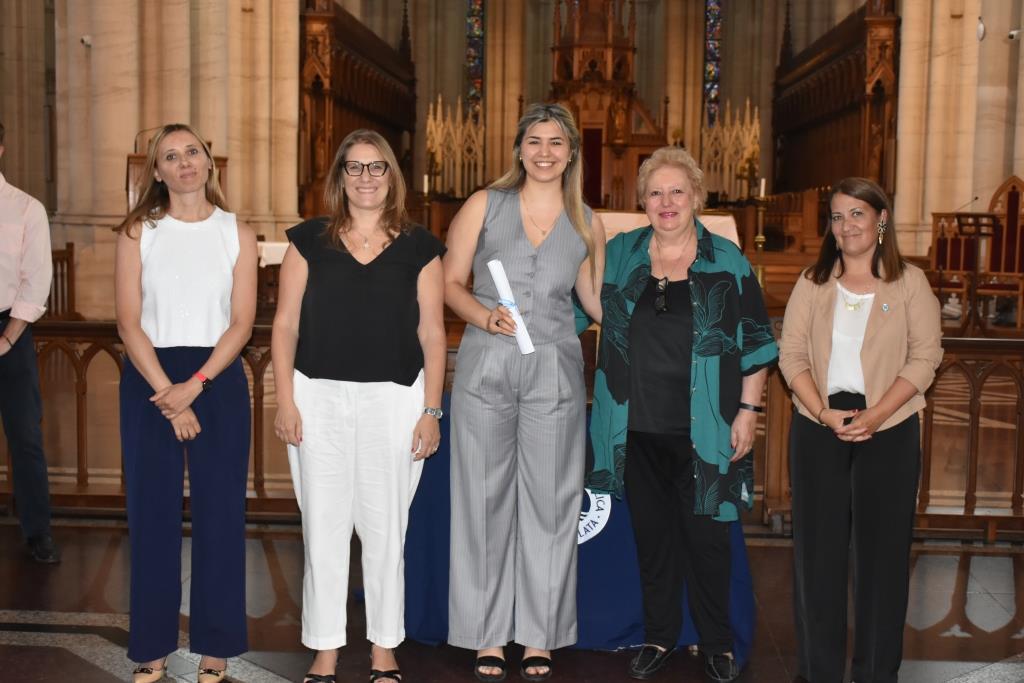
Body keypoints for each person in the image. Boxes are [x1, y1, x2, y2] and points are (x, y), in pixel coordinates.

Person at [581, 146, 777, 683]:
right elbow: (573, 303)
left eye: (677, 191)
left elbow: (757, 340)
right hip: (633, 428)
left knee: (708, 542)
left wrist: (748, 411)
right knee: (653, 541)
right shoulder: (620, 253)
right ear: (642, 201)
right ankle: (660, 637)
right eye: (655, 192)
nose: (666, 202)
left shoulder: (725, 259)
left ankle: (716, 644)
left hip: (707, 431)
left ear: (695, 197)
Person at [272, 129, 446, 683]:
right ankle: (324, 649)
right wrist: (286, 399)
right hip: (317, 398)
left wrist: (431, 410)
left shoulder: (420, 245)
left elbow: (434, 334)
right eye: (355, 168)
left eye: (376, 168)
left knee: (384, 528)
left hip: (395, 400)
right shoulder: (308, 241)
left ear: (391, 176)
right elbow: (285, 324)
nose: (366, 178)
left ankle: (383, 647)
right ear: (339, 177)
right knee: (322, 528)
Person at [444, 102, 605, 682]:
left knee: (552, 502)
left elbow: (594, 301)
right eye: (534, 141)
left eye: (556, 143)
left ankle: (539, 634)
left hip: (556, 371)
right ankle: (487, 632)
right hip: (487, 365)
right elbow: (450, 282)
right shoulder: (486, 205)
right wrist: (484, 318)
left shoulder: (586, 219)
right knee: (483, 500)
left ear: (571, 153)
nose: (544, 152)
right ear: (518, 149)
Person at [779, 177, 943, 683]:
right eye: (837, 216)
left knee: (882, 559)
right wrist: (824, 412)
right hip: (818, 423)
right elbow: (792, 355)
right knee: (818, 560)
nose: (846, 225)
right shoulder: (812, 281)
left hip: (888, 425)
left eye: (856, 214)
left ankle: (875, 672)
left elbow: (926, 356)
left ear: (881, 219)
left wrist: (875, 414)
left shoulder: (910, 282)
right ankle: (818, 672)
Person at [114, 123, 257, 683]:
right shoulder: (138, 232)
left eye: (192, 152)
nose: (184, 163)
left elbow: (243, 323)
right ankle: (151, 645)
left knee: (221, 515)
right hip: (150, 376)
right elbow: (128, 323)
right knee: (151, 515)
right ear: (157, 171)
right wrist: (168, 396)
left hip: (215, 377)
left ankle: (216, 645)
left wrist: (194, 386)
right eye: (170, 157)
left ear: (209, 161)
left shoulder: (235, 232)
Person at [0, 120, 61, 565]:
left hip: (9, 329)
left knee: (24, 435)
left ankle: (38, 531)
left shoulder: (24, 209)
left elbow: (36, 280)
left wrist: (7, 338)